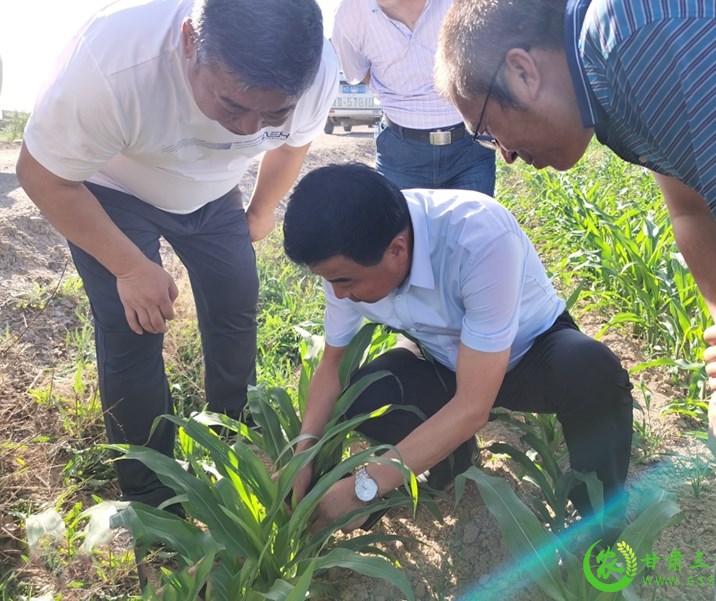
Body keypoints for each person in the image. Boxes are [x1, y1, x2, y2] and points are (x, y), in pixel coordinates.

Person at [435, 0, 716, 598]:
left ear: (523, 71)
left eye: (487, 128)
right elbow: (692, 207)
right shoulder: (614, 75)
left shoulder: (635, 38)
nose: (503, 154)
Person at [15, 0, 338, 510]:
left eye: (272, 112)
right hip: (111, 191)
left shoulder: (318, 70)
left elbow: (293, 144)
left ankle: (232, 441)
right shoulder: (113, 64)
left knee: (236, 306)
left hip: (213, 194)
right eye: (232, 105)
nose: (248, 129)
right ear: (190, 43)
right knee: (134, 330)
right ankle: (151, 501)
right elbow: (42, 175)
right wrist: (129, 267)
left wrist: (261, 208)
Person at [282, 163, 633, 539]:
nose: (337, 294)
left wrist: (363, 487)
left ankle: (601, 520)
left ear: (397, 250)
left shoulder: (478, 236)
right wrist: (303, 457)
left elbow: (472, 406)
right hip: (440, 358)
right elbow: (333, 364)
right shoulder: (349, 258)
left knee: (591, 371)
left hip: (530, 353)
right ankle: (449, 462)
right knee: (365, 393)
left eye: (343, 281)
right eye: (329, 281)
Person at [331, 0, 496, 194]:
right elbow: (360, 73)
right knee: (400, 224)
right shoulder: (350, 14)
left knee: (474, 224)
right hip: (400, 156)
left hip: (469, 150)